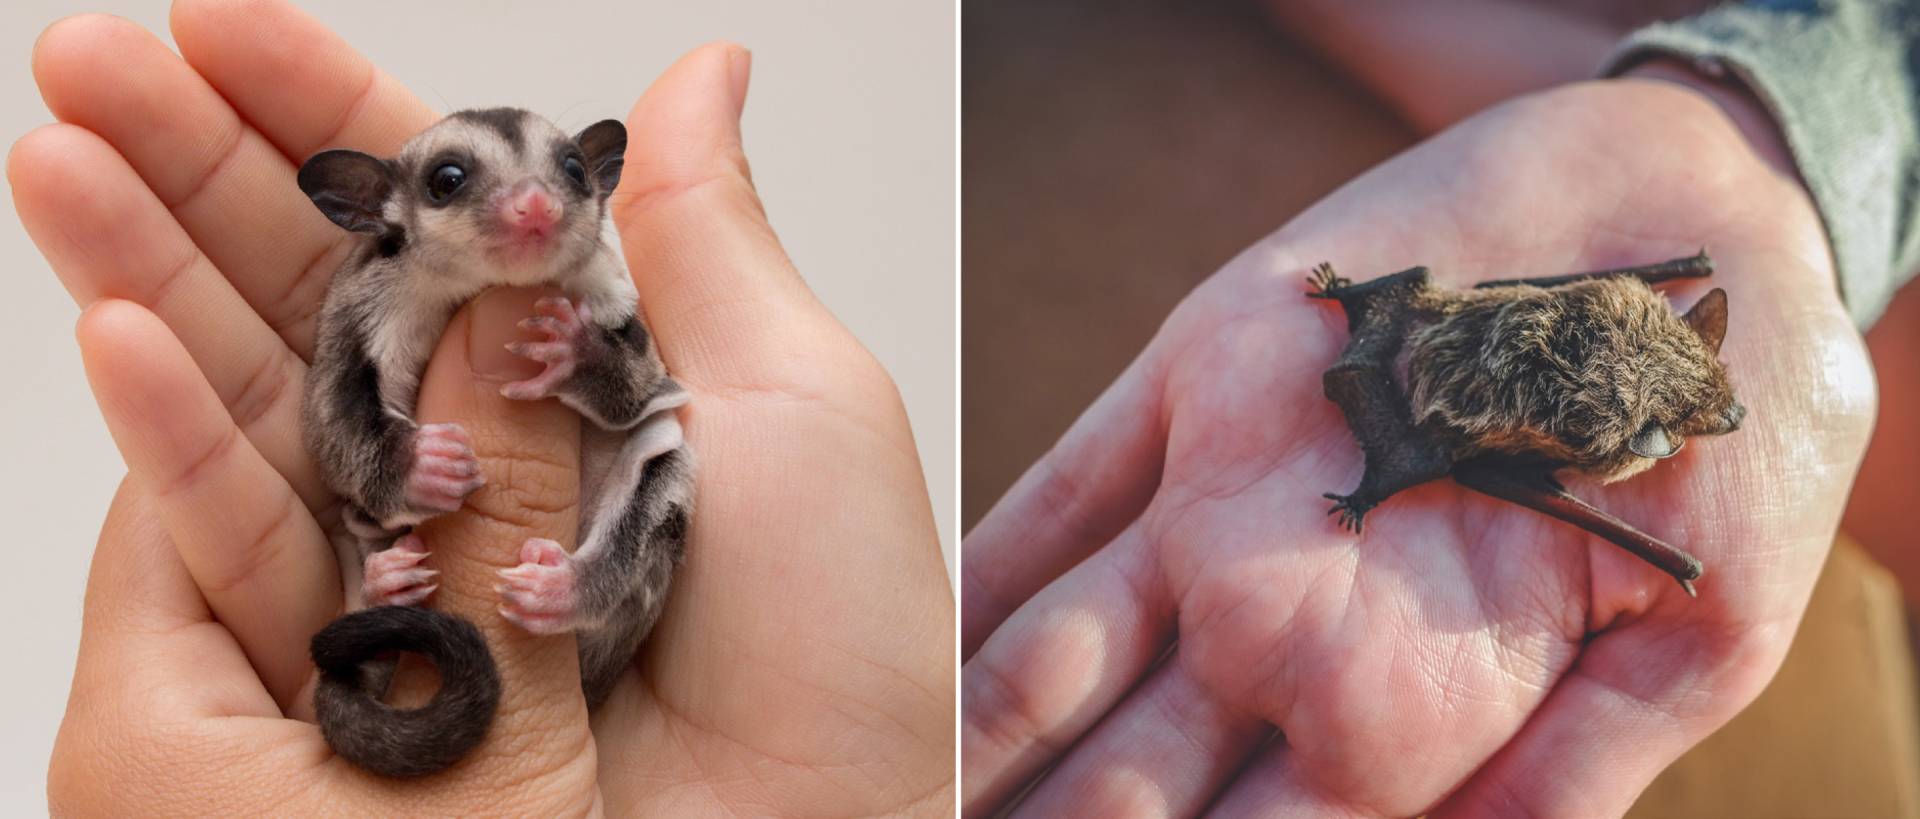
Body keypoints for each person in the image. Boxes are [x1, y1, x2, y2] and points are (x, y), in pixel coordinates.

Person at [963, 1, 1904, 816]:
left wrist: (1745, 155)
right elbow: (1542, 465)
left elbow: (1566, 291)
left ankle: (1362, 269)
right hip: (1443, 412)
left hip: (1442, 318)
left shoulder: (1628, 304)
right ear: (1661, 425)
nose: (1716, 429)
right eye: (1702, 420)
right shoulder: (1608, 439)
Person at [11, 1, 954, 814]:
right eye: (457, 182)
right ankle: (379, 623)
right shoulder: (376, 294)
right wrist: (397, 472)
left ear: (595, 188)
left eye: (567, 176)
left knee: (664, 453)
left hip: (606, 618)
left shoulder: (599, 282)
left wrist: (588, 366)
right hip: (419, 605)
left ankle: (587, 585)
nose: (535, 206)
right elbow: (343, 434)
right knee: (352, 529)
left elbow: (633, 402)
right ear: (384, 210)